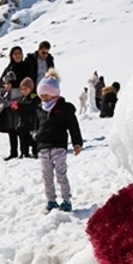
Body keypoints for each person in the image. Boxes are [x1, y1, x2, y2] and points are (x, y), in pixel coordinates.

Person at [34, 75, 83, 212]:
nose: (43, 97)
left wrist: (77, 143)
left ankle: (66, 200)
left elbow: (73, 126)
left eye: (46, 94)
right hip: (43, 147)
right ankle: (51, 200)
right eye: (41, 94)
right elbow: (35, 125)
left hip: (58, 146)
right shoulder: (39, 110)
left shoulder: (64, 108)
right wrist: (34, 135)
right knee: (47, 176)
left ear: (54, 93)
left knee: (61, 174)